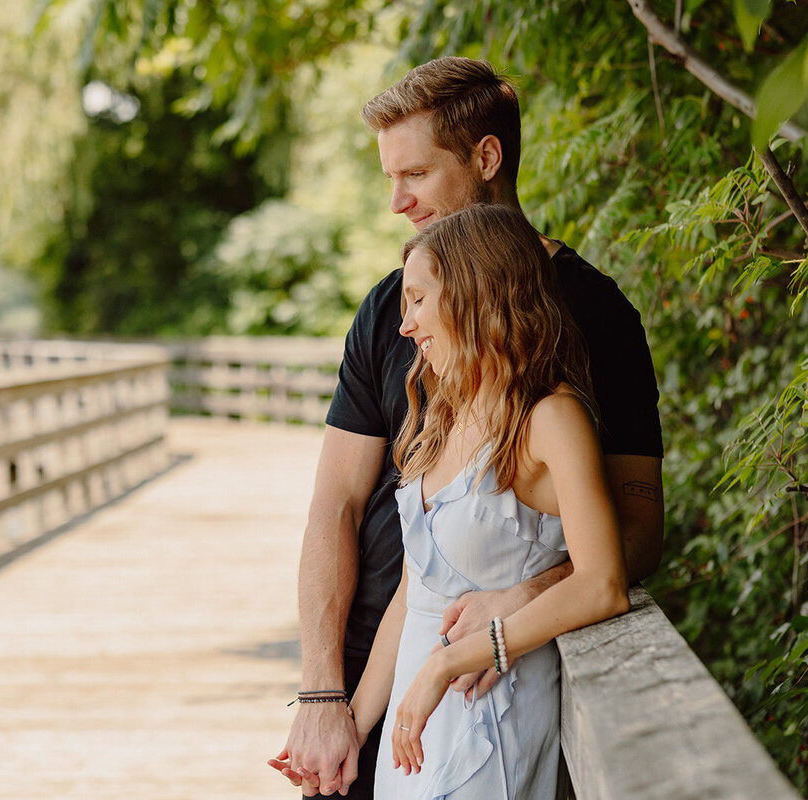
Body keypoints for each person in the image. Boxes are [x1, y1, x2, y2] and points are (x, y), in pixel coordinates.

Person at [270, 56, 663, 798]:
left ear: (486, 158)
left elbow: (631, 527)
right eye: (390, 179)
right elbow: (338, 505)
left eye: (414, 175)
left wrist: (524, 601)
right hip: (381, 675)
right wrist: (329, 700)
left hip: (496, 682)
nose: (397, 202)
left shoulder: (596, 319)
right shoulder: (393, 314)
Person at [349, 202, 629, 798]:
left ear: (476, 294)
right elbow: (412, 594)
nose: (406, 326)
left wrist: (455, 660)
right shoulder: (444, 416)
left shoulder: (552, 418)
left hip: (487, 728)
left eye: (419, 300)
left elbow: (604, 583)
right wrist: (352, 725)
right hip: (413, 729)